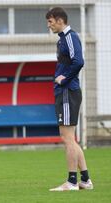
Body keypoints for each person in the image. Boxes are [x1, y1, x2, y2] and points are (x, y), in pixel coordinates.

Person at [46, 7, 93, 191]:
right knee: (70, 138)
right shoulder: (63, 40)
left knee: (67, 138)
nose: (48, 25)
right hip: (66, 92)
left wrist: (64, 79)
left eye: (50, 21)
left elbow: (79, 61)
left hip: (68, 92)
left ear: (59, 20)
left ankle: (72, 182)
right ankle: (86, 180)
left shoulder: (70, 37)